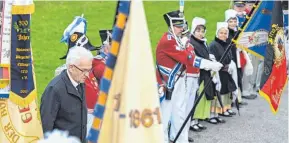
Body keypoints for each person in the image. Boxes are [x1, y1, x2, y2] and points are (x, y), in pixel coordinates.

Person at [156, 10, 223, 143]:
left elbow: (189, 54)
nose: (182, 28)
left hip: (179, 81)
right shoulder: (168, 41)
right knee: (165, 114)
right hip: (168, 83)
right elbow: (188, 58)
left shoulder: (177, 39)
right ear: (171, 25)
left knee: (179, 113)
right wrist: (210, 65)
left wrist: (185, 43)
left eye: (182, 25)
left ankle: (179, 139)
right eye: (178, 26)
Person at [40, 46, 93, 142]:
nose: (87, 75)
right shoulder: (54, 90)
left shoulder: (79, 83)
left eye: (89, 70)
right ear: (71, 67)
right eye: (84, 70)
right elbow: (46, 126)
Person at [189, 17, 221, 131]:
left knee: (203, 99)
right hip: (197, 75)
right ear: (193, 30)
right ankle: (192, 121)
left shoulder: (203, 42)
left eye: (202, 31)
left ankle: (197, 120)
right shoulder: (191, 42)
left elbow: (206, 55)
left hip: (205, 74)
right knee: (196, 99)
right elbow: (195, 60)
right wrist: (209, 64)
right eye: (198, 30)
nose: (200, 33)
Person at [209, 22, 238, 121]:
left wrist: (229, 65)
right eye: (221, 33)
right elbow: (213, 59)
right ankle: (214, 112)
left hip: (226, 70)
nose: (223, 35)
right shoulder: (213, 45)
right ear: (217, 33)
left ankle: (224, 108)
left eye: (225, 33)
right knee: (218, 91)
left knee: (226, 90)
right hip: (218, 71)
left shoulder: (226, 44)